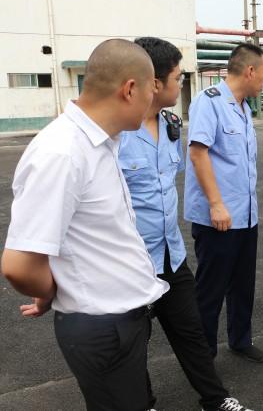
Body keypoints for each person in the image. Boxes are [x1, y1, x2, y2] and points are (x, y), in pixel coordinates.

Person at [1, 39, 169, 410]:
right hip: (101, 326)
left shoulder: (100, 143)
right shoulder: (62, 152)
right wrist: (55, 288)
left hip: (120, 320)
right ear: (129, 89)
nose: (151, 103)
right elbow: (18, 266)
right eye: (150, 91)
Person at [119, 37, 251, 411]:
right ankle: (145, 404)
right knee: (134, 342)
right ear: (154, 83)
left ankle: (216, 398)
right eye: (177, 78)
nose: (181, 86)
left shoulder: (172, 125)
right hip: (131, 260)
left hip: (170, 254)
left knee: (190, 332)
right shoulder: (117, 136)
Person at [185, 43, 263, 363]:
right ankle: (202, 356)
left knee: (243, 283)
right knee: (210, 290)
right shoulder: (209, 103)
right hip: (218, 216)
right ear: (249, 71)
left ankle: (240, 340)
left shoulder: (244, 106)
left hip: (246, 215)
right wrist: (217, 204)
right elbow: (198, 152)